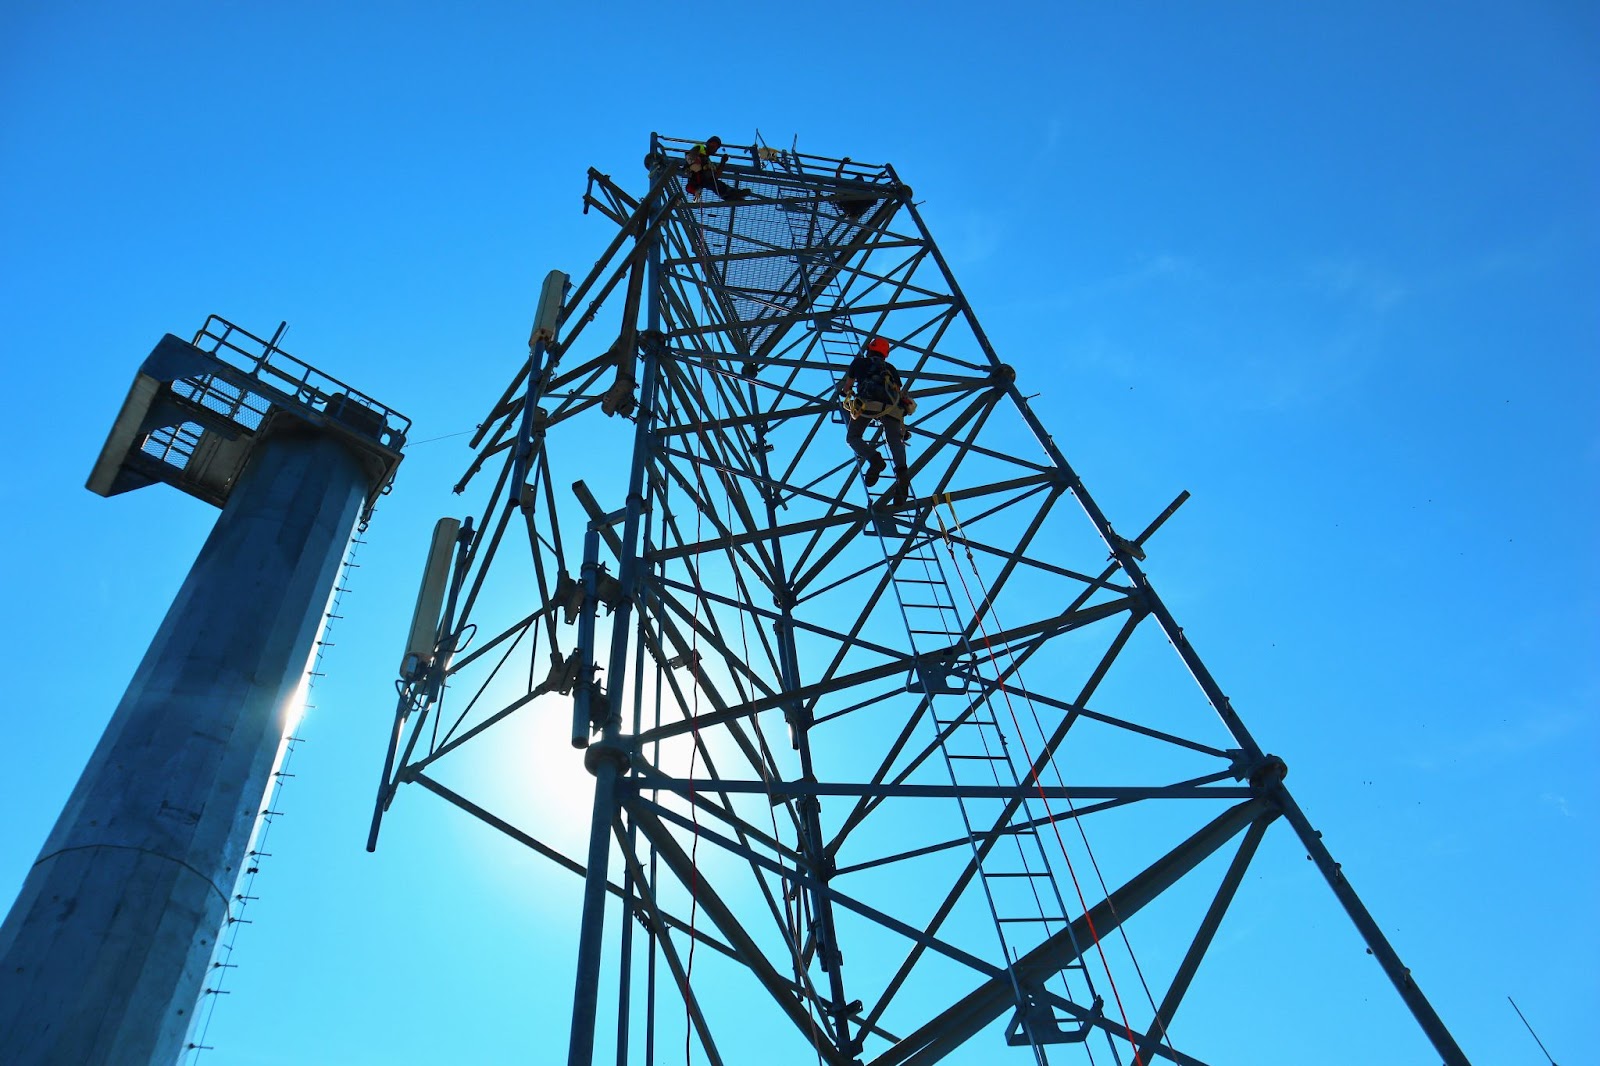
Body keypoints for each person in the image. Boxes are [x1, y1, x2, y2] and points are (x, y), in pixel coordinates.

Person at [839, 337, 916, 505]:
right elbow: (899, 393)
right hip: (893, 408)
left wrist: (844, 392)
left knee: (853, 438)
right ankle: (902, 473)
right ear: (885, 354)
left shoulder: (858, 363)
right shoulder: (891, 369)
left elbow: (847, 388)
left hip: (868, 404)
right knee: (895, 440)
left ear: (870, 349)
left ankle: (875, 460)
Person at [684, 136, 750, 201]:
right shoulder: (700, 148)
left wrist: (723, 162)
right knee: (713, 184)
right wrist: (694, 163)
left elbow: (716, 176)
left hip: (703, 180)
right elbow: (690, 155)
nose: (714, 147)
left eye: (716, 146)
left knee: (716, 184)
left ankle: (731, 196)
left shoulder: (709, 163)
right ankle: (732, 194)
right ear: (708, 143)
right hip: (696, 176)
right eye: (713, 144)